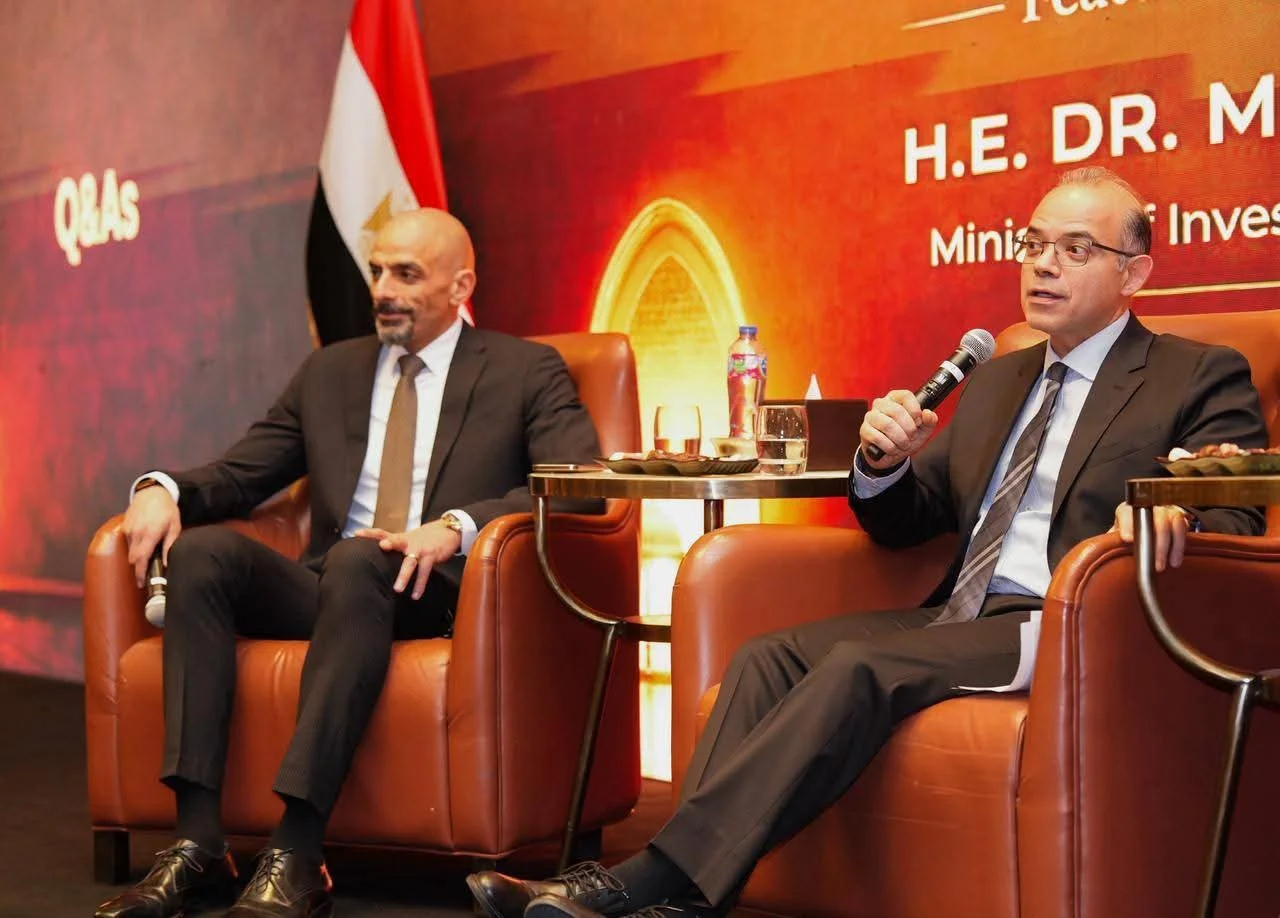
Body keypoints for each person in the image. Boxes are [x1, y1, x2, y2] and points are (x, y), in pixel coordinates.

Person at [465, 167, 1269, 918]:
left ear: (1135, 273)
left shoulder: (1196, 374)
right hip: (959, 617)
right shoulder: (1000, 377)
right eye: (1033, 243)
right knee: (766, 657)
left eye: (1076, 249)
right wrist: (882, 466)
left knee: (858, 665)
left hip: (1066, 621)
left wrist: (1178, 519)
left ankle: (635, 883)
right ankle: (682, 902)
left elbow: (1237, 519)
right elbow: (912, 522)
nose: (1044, 264)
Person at [94, 208, 602, 918]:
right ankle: (199, 843)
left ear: (461, 286)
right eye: (377, 271)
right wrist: (162, 488)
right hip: (336, 584)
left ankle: (299, 851)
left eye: (406, 274)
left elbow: (579, 486)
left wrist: (455, 528)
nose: (383, 290)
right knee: (203, 553)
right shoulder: (331, 369)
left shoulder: (524, 370)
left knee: (361, 560)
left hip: (437, 590)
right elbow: (243, 472)